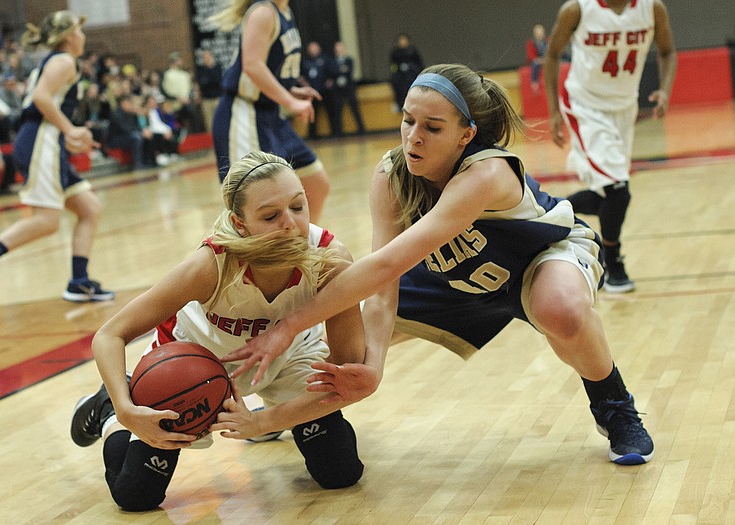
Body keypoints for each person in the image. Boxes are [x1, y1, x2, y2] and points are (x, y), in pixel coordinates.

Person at [224, 64, 656, 466]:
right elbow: (381, 286)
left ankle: (614, 406)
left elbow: (385, 264)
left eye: (432, 128)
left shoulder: (484, 174)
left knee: (559, 309)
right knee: (346, 338)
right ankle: (282, 404)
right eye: (408, 120)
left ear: (466, 135)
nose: (413, 137)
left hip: (538, 259)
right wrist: (370, 366)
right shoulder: (392, 175)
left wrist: (287, 326)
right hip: (455, 280)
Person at [70, 151, 366, 511]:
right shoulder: (211, 265)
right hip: (195, 365)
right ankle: (107, 411)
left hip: (291, 358)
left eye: (298, 206)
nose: (290, 224)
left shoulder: (330, 259)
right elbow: (109, 334)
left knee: (340, 471)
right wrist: (125, 407)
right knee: (135, 495)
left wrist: (261, 421)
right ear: (240, 224)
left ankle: (274, 412)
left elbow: (349, 373)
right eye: (271, 216)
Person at [0, 11, 114, 303]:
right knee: (48, 220)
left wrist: (70, 137)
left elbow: (46, 104)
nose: (83, 37)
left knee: (89, 209)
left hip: (46, 141)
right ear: (69, 36)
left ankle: (79, 281)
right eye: (80, 32)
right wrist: (69, 130)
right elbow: (41, 98)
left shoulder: (57, 61)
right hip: (40, 143)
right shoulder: (65, 60)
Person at [544, 0, 677, 293]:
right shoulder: (577, 9)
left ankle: (548, 214)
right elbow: (552, 55)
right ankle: (611, 263)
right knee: (618, 189)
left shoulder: (652, 8)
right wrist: (554, 111)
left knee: (609, 193)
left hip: (624, 107)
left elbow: (667, 51)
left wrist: (665, 91)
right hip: (585, 106)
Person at [209, 0, 331, 224]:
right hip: (243, 112)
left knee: (315, 182)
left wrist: (290, 90)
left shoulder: (285, 11)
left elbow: (271, 68)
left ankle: (298, 248)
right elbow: (252, 66)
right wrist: (291, 103)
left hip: (270, 114)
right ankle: (239, 256)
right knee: (244, 204)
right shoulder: (263, 12)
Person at [106, 93, 154, 169]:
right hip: (116, 139)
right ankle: (137, 163)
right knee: (136, 137)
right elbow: (124, 129)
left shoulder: (131, 113)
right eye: (129, 103)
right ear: (123, 103)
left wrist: (143, 131)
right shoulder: (116, 113)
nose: (131, 105)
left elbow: (136, 126)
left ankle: (149, 161)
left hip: (128, 136)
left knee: (146, 135)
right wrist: (140, 132)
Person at [330, 41, 365, 137]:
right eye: (337, 47)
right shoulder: (333, 61)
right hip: (338, 89)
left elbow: (350, 71)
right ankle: (338, 132)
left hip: (349, 88)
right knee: (337, 110)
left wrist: (339, 70)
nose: (339, 49)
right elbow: (332, 72)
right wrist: (341, 70)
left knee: (354, 108)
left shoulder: (349, 60)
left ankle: (361, 129)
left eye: (341, 47)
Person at [300, 41, 334, 139]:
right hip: (311, 92)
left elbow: (333, 72)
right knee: (312, 114)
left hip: (325, 91)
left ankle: (335, 133)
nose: (313, 50)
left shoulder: (325, 59)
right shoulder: (305, 61)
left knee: (330, 112)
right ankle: (312, 135)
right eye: (311, 48)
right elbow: (299, 76)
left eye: (314, 48)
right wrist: (304, 84)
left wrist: (330, 81)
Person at [389, 33, 423, 112]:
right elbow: (392, 66)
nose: (403, 42)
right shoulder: (395, 52)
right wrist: (394, 72)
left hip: (411, 74)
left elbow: (419, 65)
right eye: (401, 40)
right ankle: (399, 104)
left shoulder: (413, 51)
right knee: (396, 80)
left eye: (404, 40)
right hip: (400, 75)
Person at [195, 49, 223, 133]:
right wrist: (198, 96)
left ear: (211, 56)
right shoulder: (201, 70)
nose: (205, 58)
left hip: (217, 98)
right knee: (208, 121)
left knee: (220, 119)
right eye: (204, 57)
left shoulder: (218, 67)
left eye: (207, 56)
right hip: (206, 99)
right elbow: (200, 84)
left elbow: (219, 81)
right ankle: (211, 140)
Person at [526, 24, 549, 93]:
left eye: (541, 32)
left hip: (547, 59)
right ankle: (534, 82)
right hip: (537, 61)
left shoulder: (548, 41)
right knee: (535, 65)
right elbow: (531, 55)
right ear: (535, 34)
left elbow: (551, 52)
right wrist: (539, 60)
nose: (540, 35)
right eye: (538, 33)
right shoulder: (531, 43)